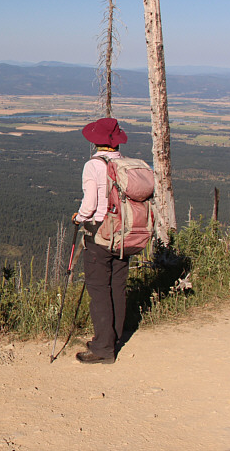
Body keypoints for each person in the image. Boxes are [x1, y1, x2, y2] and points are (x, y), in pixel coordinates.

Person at [72, 117, 129, 365]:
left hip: (100, 234)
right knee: (117, 286)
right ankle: (112, 337)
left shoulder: (93, 165)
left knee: (98, 288)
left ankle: (103, 347)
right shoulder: (126, 164)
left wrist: (79, 218)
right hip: (125, 235)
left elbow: (90, 204)